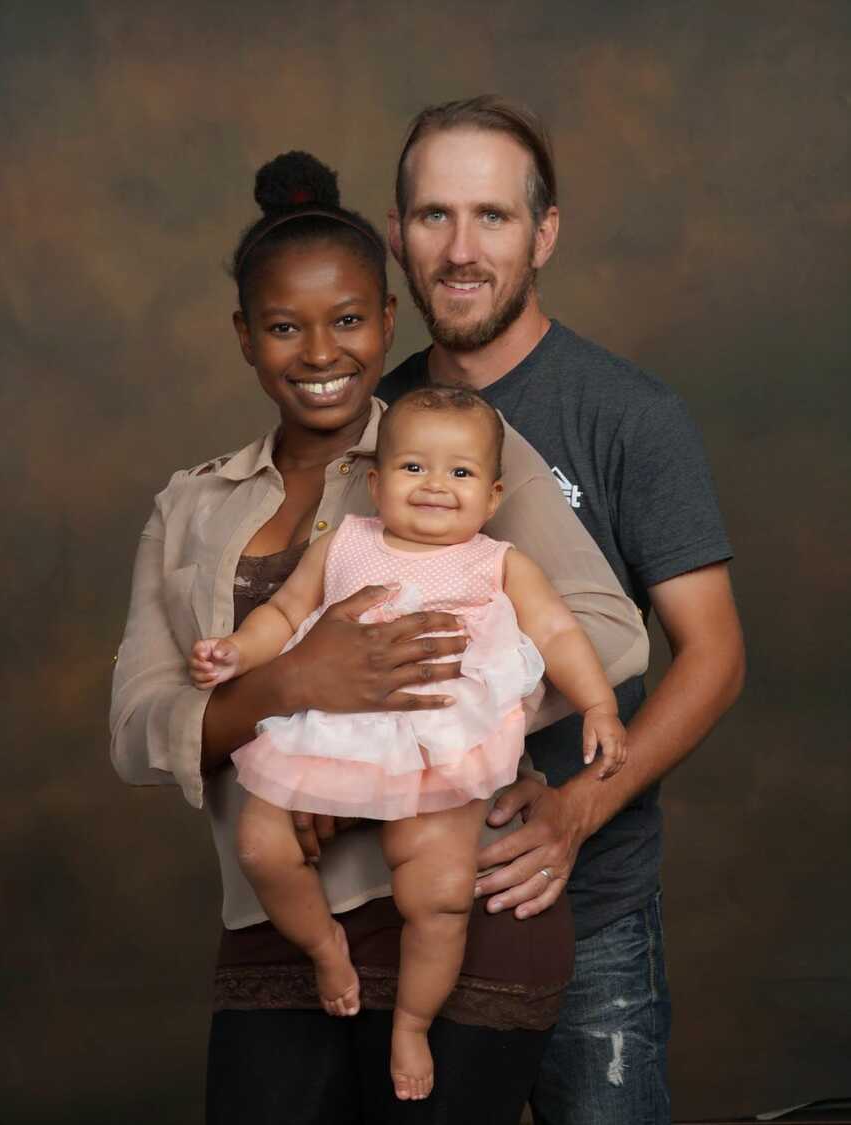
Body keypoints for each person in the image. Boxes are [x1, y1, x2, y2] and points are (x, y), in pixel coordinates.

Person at [110, 150, 648, 1125]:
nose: (321, 354)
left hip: (459, 896)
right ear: (245, 337)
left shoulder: (453, 444)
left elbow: (606, 631)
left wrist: (432, 730)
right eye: (284, 327)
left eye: (350, 321)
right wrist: (286, 691)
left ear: (387, 322)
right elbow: (139, 726)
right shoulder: (193, 505)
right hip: (275, 917)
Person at [378, 95, 746, 1125]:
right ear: (399, 232)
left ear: (544, 233)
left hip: (591, 913)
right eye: (432, 216)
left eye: (492, 217)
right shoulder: (373, 417)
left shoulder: (629, 414)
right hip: (406, 914)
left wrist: (579, 808)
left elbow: (713, 656)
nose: (459, 250)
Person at [190, 385, 629, 1101]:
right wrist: (238, 652)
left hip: (437, 741)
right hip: (335, 727)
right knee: (262, 845)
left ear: (491, 497)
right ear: (376, 482)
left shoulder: (497, 562)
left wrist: (599, 705)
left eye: (459, 473)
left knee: (442, 894)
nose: (434, 485)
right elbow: (286, 610)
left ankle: (413, 1024)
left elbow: (557, 632)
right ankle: (324, 947)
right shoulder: (345, 545)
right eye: (413, 467)